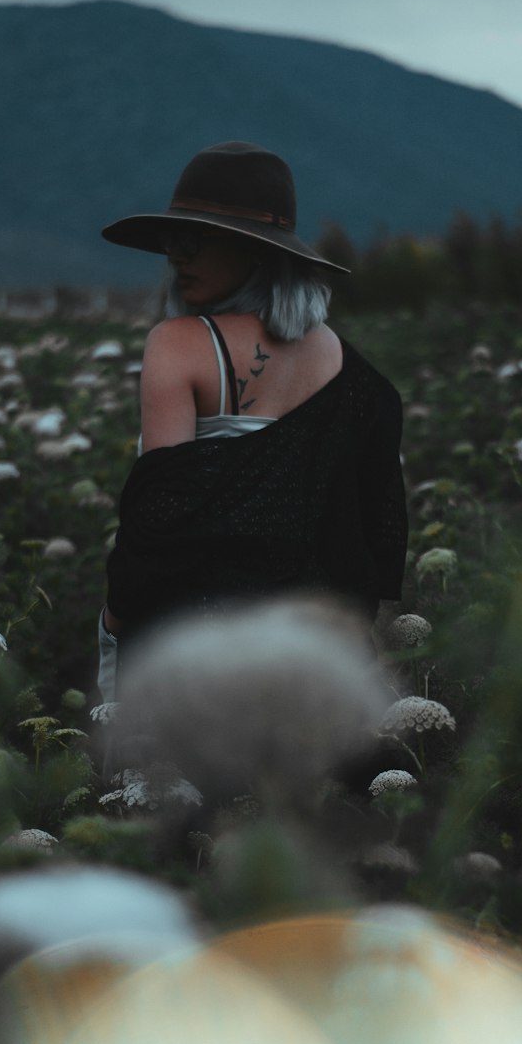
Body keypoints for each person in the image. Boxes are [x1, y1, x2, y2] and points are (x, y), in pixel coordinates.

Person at [95, 140, 408, 701]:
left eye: (197, 240)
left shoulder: (178, 344)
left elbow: (159, 518)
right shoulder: (349, 366)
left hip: (203, 647)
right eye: (172, 238)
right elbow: (367, 523)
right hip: (320, 650)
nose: (176, 255)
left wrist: (115, 625)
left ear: (256, 251)